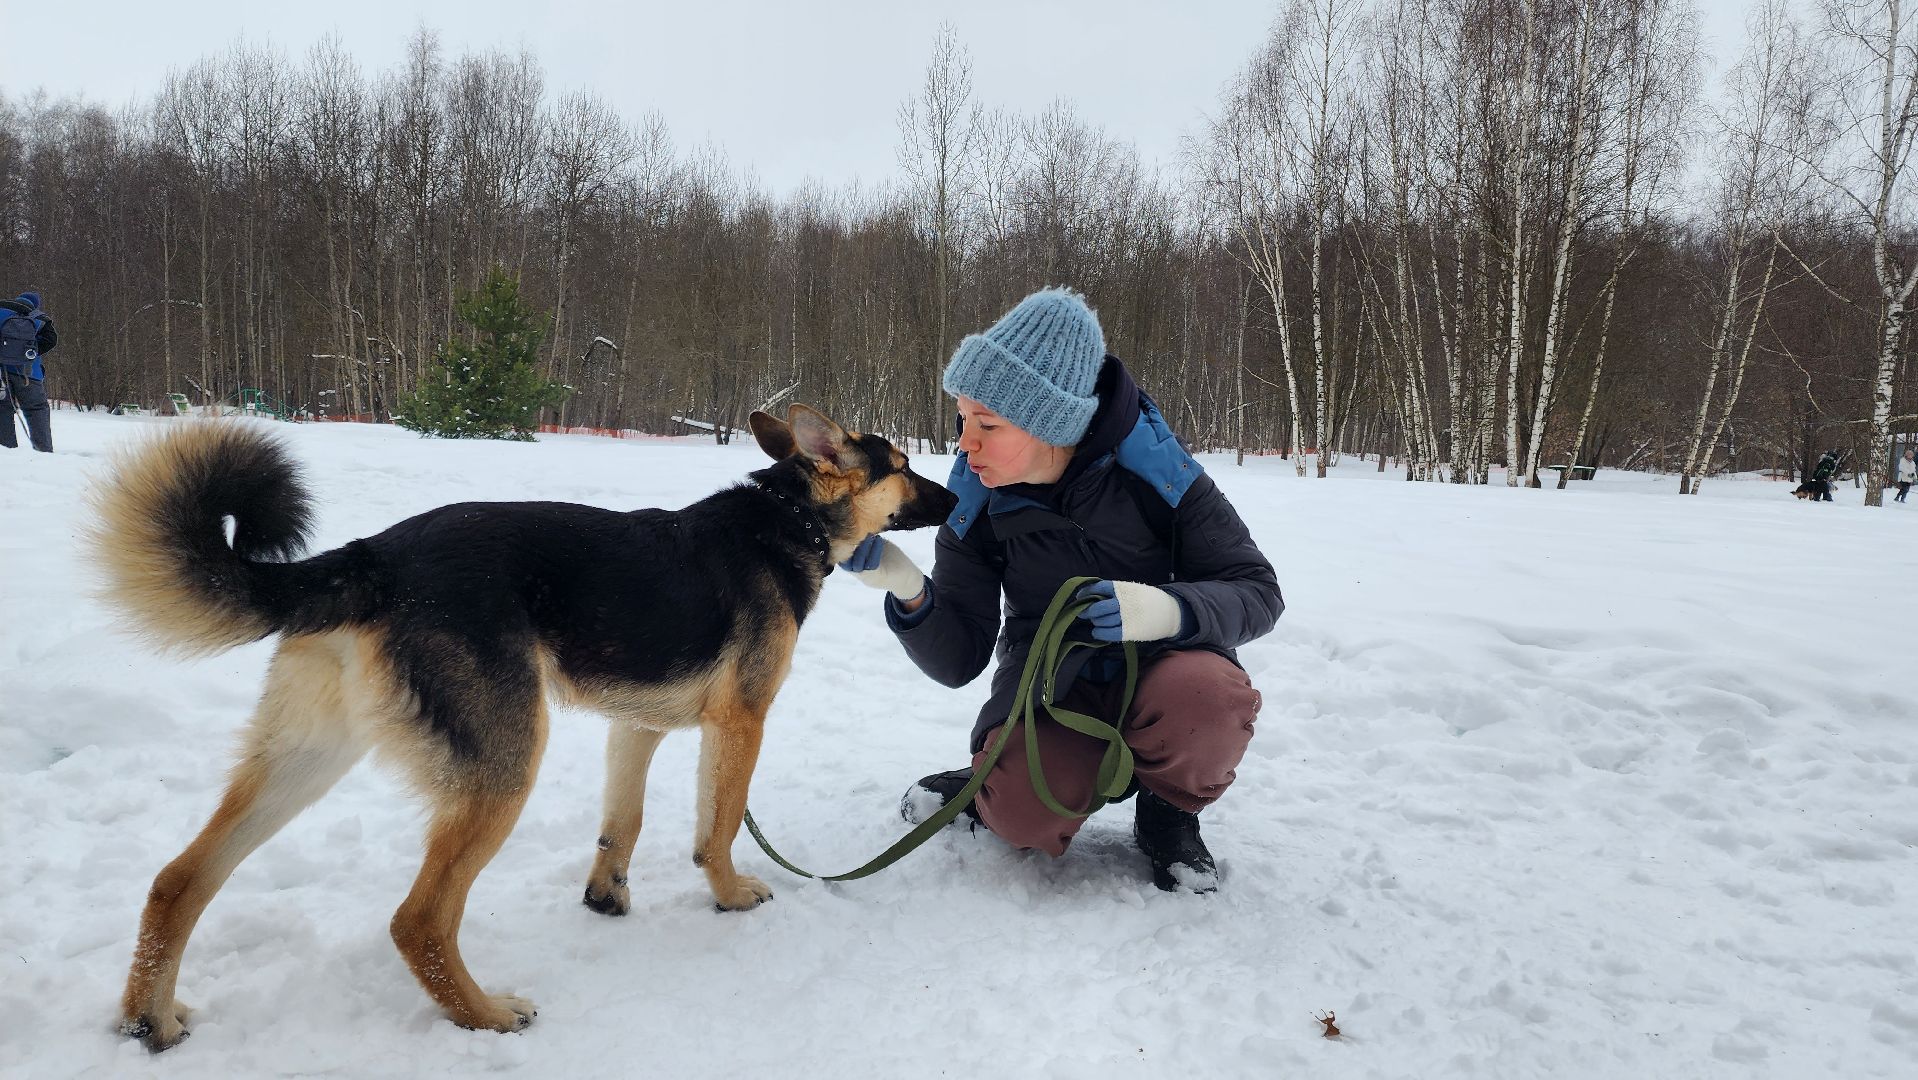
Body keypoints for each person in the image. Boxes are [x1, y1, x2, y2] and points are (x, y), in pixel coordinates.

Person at [839, 288, 1282, 893]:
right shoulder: (976, 499)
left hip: (1166, 671)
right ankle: (988, 788)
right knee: (1024, 816)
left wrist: (1169, 610)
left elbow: (1257, 591)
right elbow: (959, 658)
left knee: (1210, 701)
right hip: (1051, 682)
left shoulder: (1161, 475)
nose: (964, 443)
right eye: (963, 419)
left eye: (987, 425)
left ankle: (1168, 814)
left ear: (1052, 425)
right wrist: (912, 594)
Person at [0, 290, 57, 452]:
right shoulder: (39, 318)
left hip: (1, 372)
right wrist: (30, 352)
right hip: (29, 373)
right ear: (35, 304)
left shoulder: (1, 310)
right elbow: (52, 340)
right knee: (37, 409)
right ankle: (44, 450)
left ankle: (6, 449)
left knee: (2, 409)